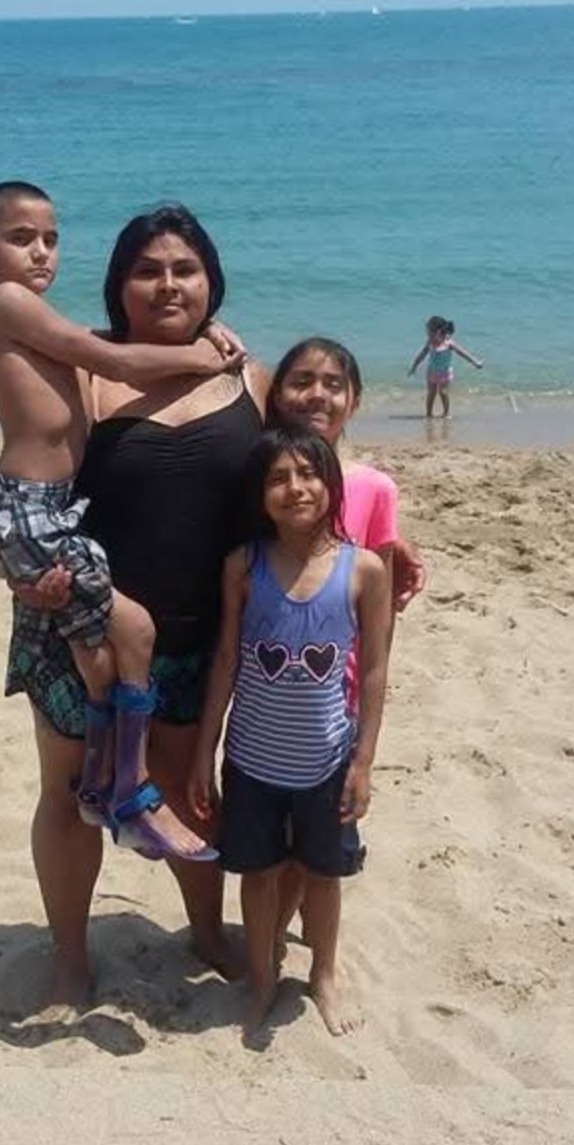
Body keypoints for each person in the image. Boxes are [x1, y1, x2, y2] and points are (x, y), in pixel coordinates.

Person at [10, 203, 427, 1008]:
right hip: (84, 622)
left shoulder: (245, 375)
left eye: (185, 269)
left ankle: (205, 931)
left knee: (187, 786)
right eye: (147, 270)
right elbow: (33, 482)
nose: (168, 284)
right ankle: (70, 958)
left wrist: (379, 540)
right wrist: (26, 571)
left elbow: (303, 472)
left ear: (211, 281)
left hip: (204, 632)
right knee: (66, 791)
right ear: (118, 284)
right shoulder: (84, 373)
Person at [0, 181, 241, 866]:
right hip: (30, 507)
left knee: (100, 658)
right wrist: (201, 355)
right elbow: (115, 359)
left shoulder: (38, 322)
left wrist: (208, 333)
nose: (40, 252)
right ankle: (128, 786)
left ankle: (103, 781)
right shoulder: (8, 308)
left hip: (49, 512)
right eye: (21, 238)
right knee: (133, 633)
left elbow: (100, 345)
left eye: (51, 239)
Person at [189, 427, 391, 1036]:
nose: (295, 488)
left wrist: (363, 761)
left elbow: (374, 671)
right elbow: (227, 659)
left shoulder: (364, 570)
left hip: (327, 762)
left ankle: (323, 974)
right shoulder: (243, 566)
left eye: (308, 474)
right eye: (278, 478)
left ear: (332, 484)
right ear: (260, 494)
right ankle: (262, 979)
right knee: (258, 875)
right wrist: (204, 752)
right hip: (251, 761)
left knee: (324, 876)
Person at [266, 338, 397, 944]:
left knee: (319, 837)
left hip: (336, 700)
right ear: (276, 395)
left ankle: (291, 938)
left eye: (334, 384)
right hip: (268, 693)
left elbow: (379, 618)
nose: (317, 394)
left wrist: (368, 736)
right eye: (301, 381)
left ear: (356, 401)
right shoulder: (266, 481)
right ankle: (275, 932)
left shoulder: (374, 488)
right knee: (275, 831)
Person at [408, 315, 483, 418]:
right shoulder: (430, 343)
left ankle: (446, 413)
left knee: (443, 392)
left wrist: (475, 362)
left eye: (429, 333)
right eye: (427, 333)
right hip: (431, 373)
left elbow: (463, 353)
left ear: (438, 332)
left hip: (445, 373)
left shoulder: (448, 343)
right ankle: (429, 414)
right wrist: (414, 367)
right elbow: (422, 355)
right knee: (431, 393)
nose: (428, 335)